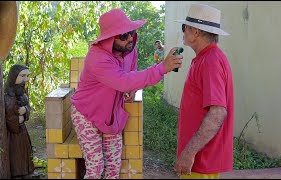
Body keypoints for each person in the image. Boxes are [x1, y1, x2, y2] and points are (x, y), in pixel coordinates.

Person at [70, 8, 183, 179]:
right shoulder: (97, 57)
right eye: (123, 36)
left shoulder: (130, 50)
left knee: (114, 167)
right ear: (109, 39)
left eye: (131, 32)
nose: (130, 38)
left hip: (111, 116)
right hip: (86, 115)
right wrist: (161, 68)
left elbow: (132, 73)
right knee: (95, 167)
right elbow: (123, 81)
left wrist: (134, 89)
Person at [173, 3, 234, 179]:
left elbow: (217, 113)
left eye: (185, 27)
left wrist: (189, 153)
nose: (183, 32)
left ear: (196, 32)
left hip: (202, 162)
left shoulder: (210, 61)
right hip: (200, 161)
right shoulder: (206, 58)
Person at [4, 64, 34, 179]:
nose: (25, 79)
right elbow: (8, 115)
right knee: (16, 154)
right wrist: (17, 119)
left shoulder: (22, 92)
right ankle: (17, 173)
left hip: (22, 131)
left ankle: (26, 171)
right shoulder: (7, 95)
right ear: (14, 76)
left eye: (27, 76)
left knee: (25, 152)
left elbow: (27, 107)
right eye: (22, 76)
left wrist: (25, 110)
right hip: (13, 134)